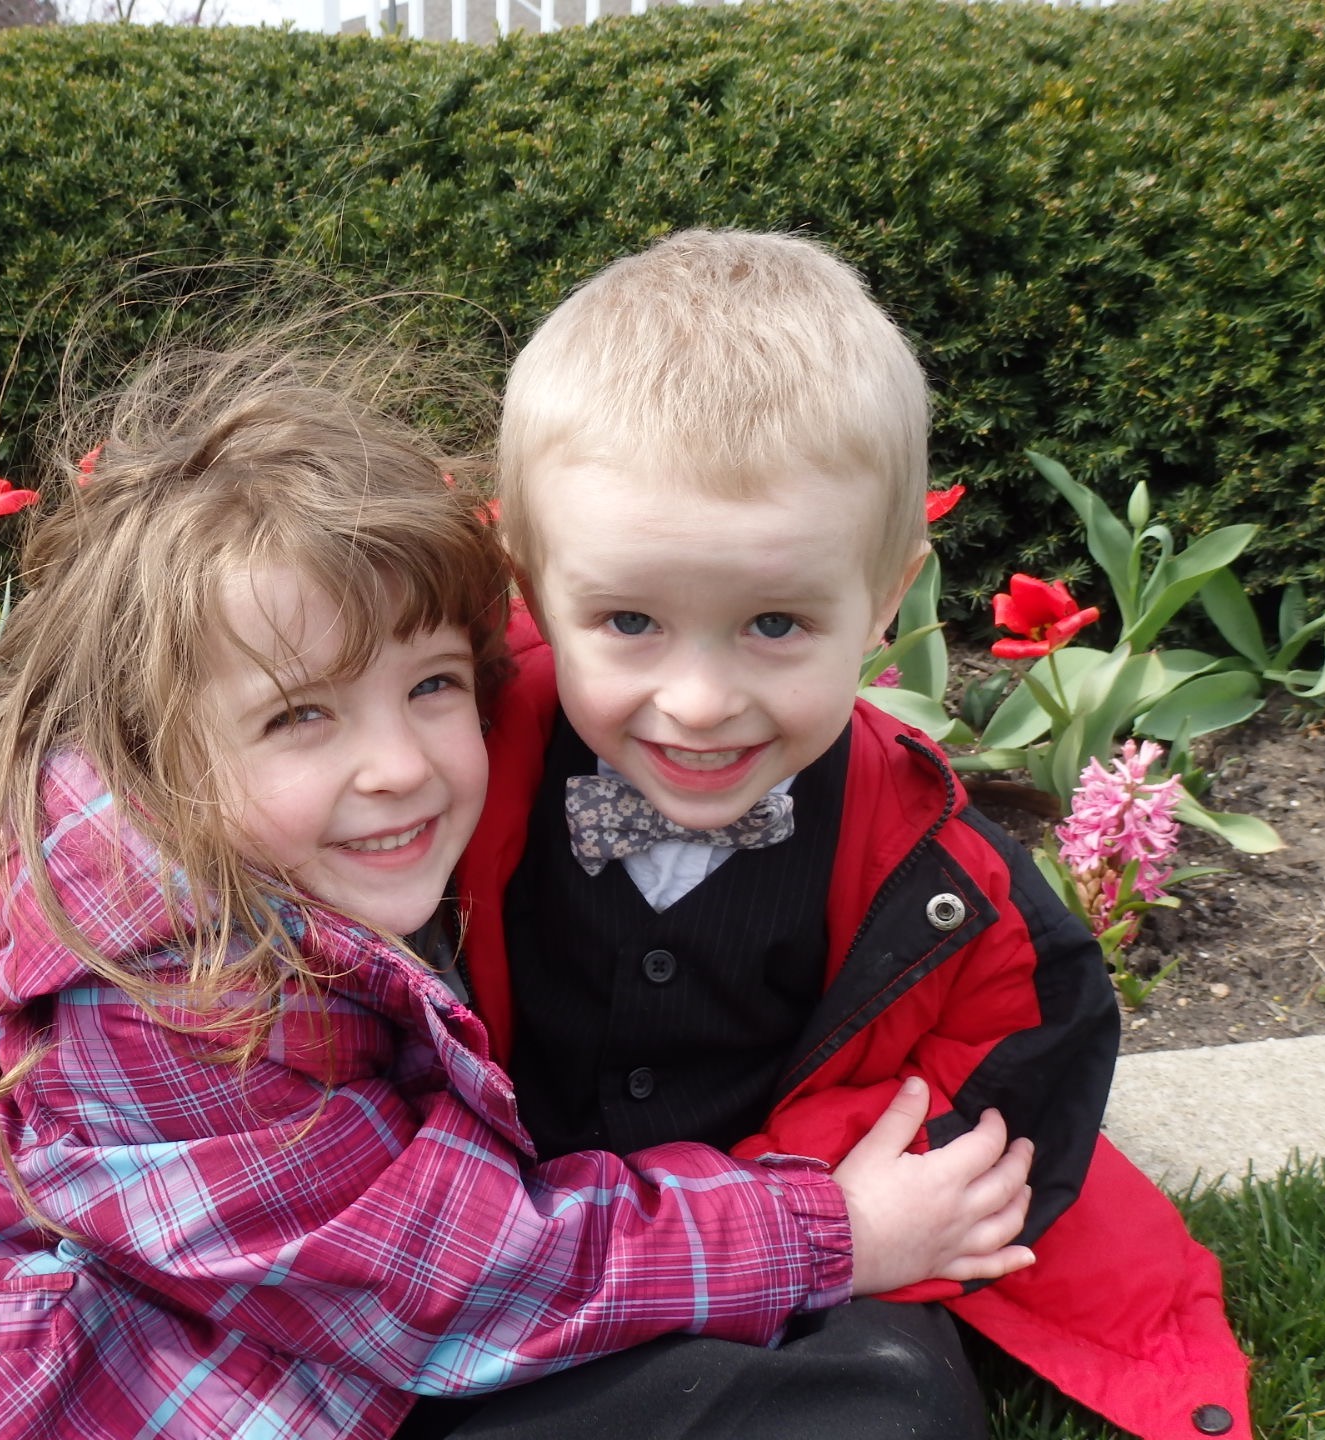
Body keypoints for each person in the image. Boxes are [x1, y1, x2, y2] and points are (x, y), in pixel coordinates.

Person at [0, 348, 1037, 1440]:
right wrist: (825, 1233)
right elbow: (450, 1278)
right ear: (152, 737)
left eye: (432, 684)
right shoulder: (173, 997)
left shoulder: (281, 858)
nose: (399, 769)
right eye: (301, 717)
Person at [447, 232, 1252, 1440]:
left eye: (775, 622)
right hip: (502, 1229)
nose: (702, 702)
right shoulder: (449, 770)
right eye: (628, 621)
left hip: (807, 1238)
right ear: (531, 578)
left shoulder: (928, 860)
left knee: (897, 1401)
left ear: (883, 599)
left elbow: (1030, 1049)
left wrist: (813, 1208)